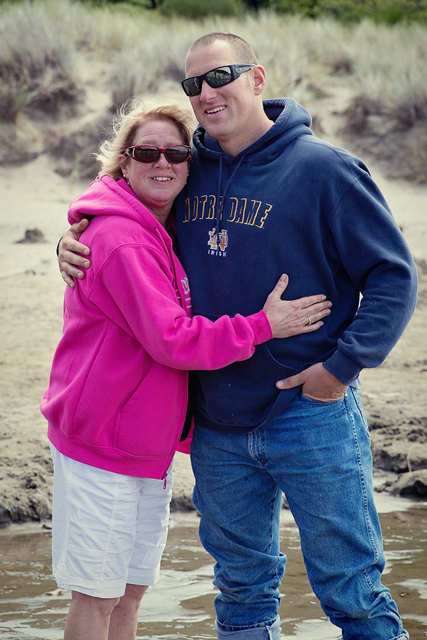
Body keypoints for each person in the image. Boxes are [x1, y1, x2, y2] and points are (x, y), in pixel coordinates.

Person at [57, 33, 418, 640]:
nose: (207, 92)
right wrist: (72, 238)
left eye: (221, 75)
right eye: (193, 83)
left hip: (310, 413)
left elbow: (393, 275)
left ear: (257, 78)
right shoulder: (187, 167)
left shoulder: (324, 170)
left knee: (352, 590)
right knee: (242, 594)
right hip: (217, 425)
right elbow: (123, 203)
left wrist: (342, 368)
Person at [42, 99, 332, 640]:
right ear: (123, 161)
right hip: (102, 442)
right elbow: (172, 340)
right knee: (98, 597)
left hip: (143, 445)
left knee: (130, 592)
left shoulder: (162, 225)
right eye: (146, 152)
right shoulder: (121, 238)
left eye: (176, 154)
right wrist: (264, 326)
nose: (163, 162)